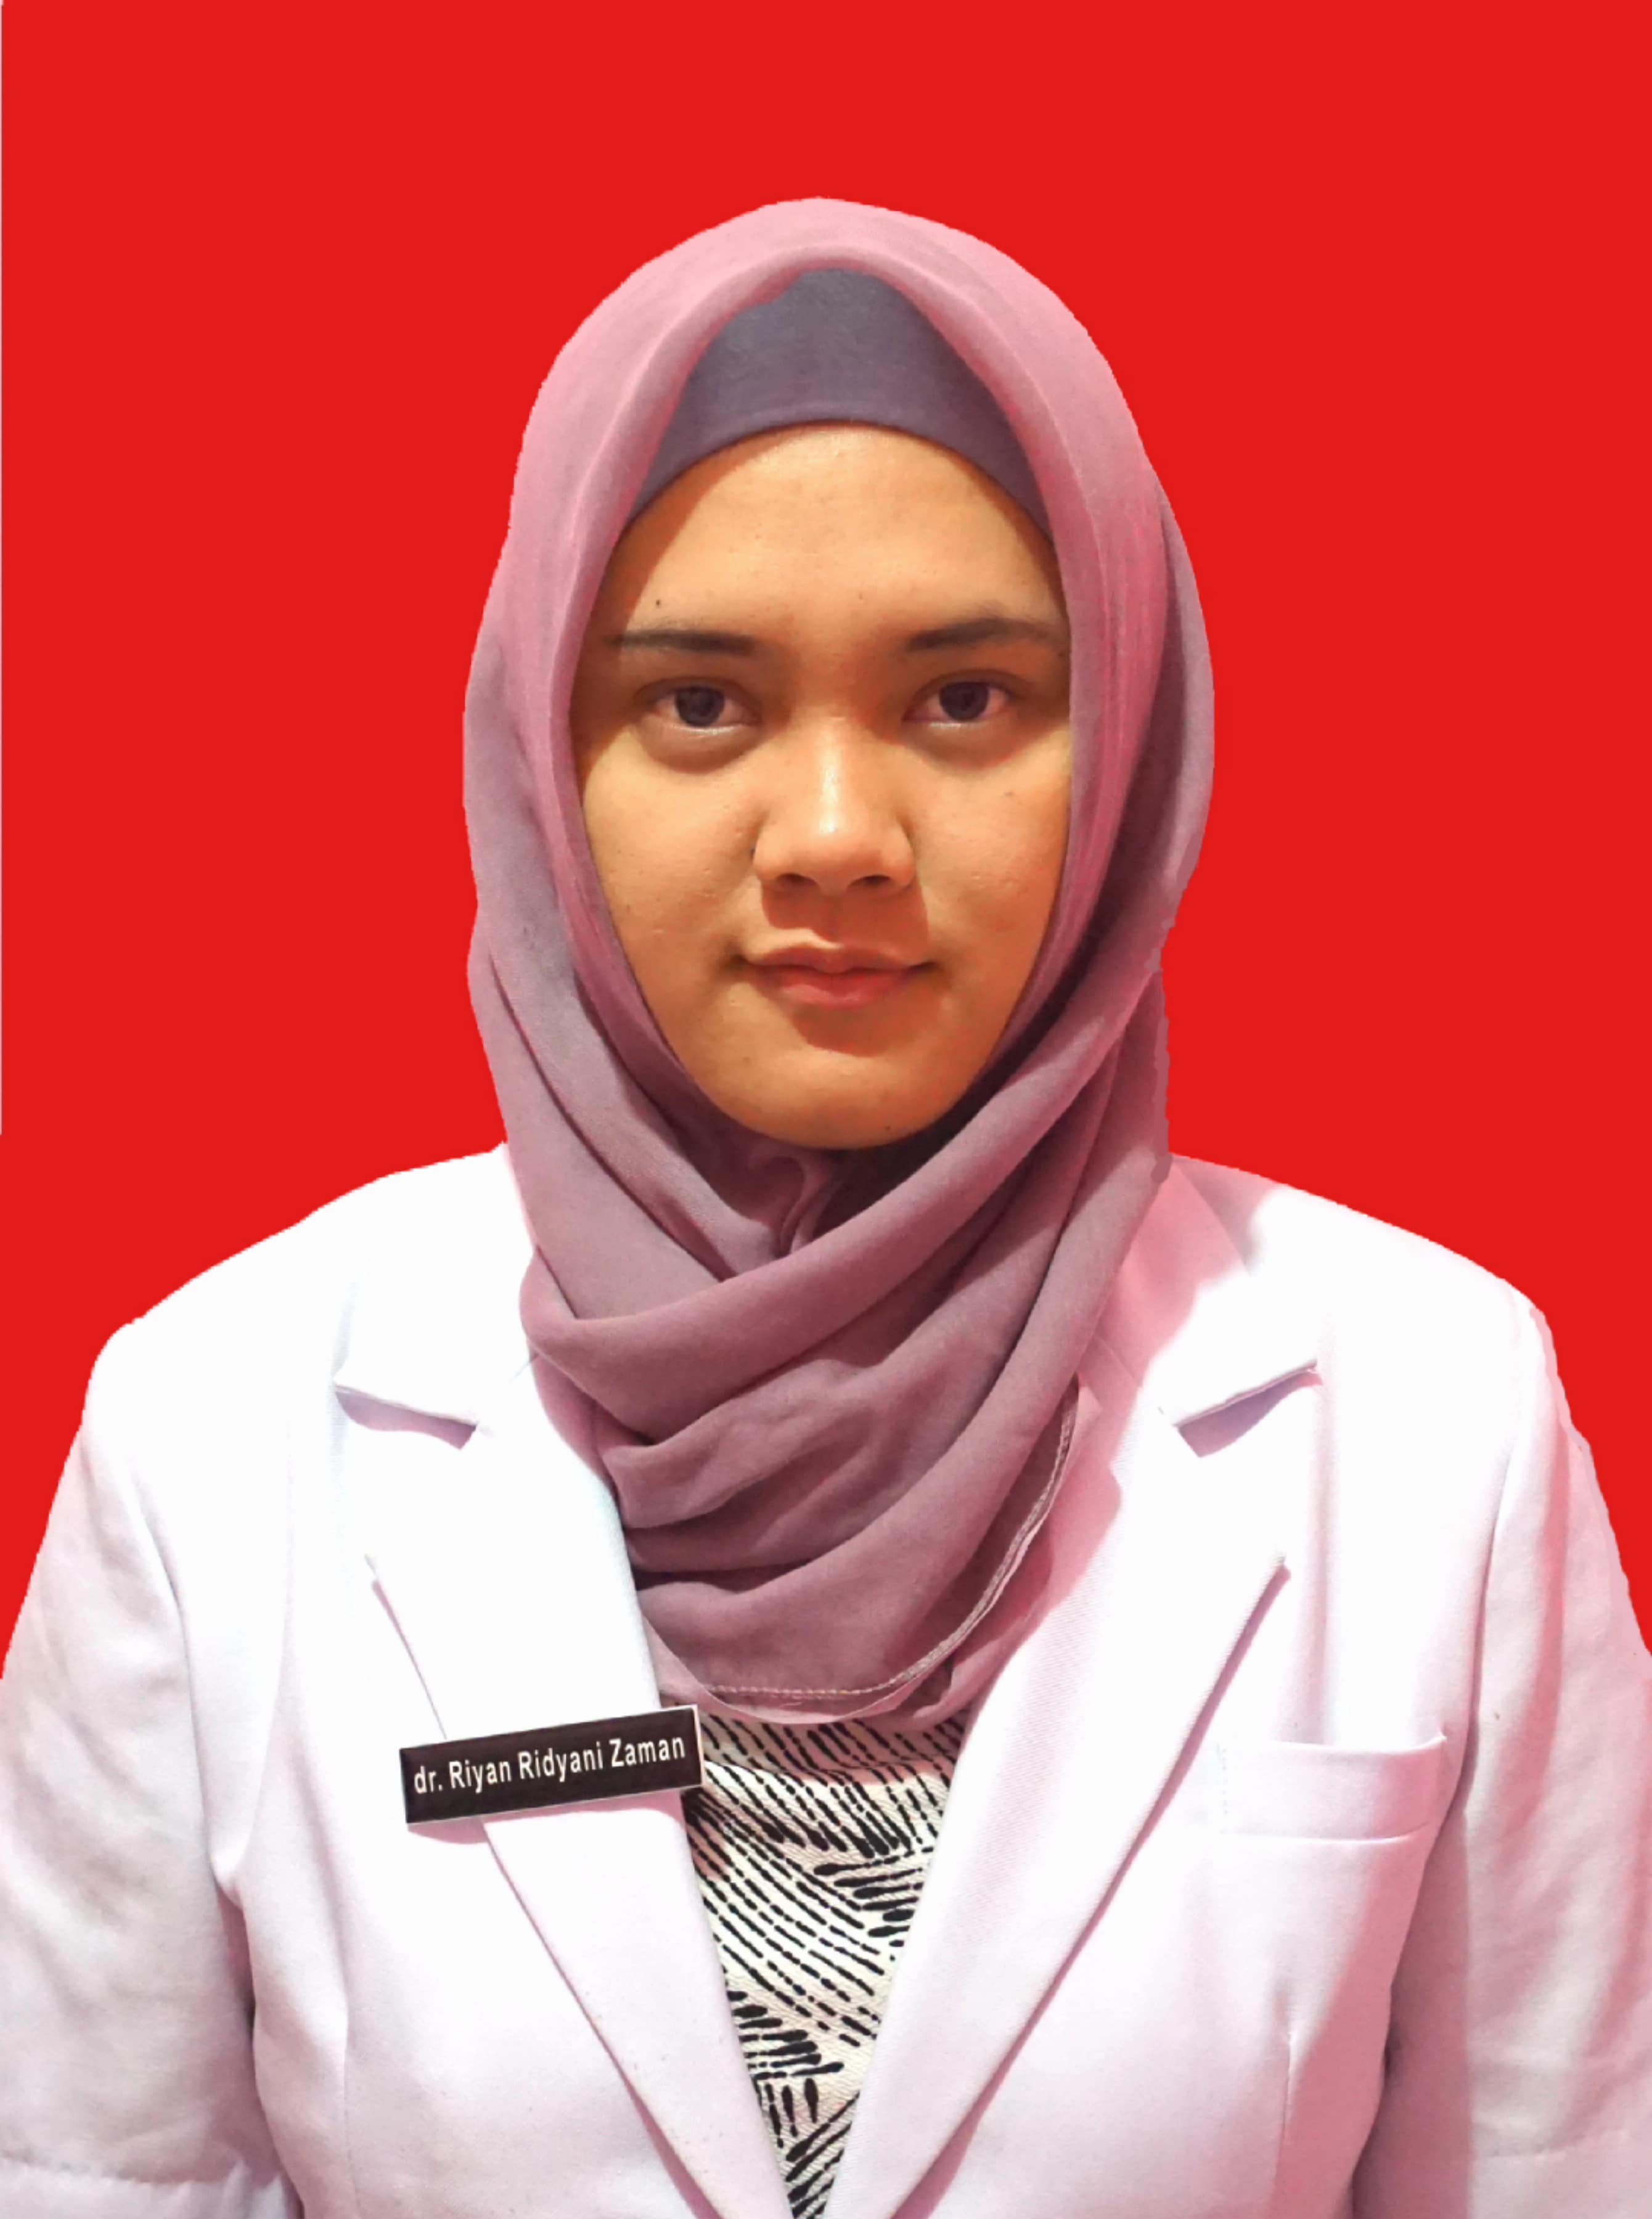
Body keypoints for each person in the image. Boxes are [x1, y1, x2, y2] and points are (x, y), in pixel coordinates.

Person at [1, 198, 1648, 2219]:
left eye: (966, 701)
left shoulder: (1430, 1418)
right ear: (547, 763)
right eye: (701, 704)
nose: (841, 840)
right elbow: (99, 2176)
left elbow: (1564, 2176)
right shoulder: (212, 1429)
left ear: (1126, 748)